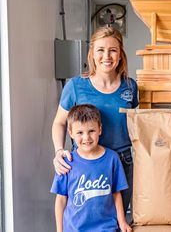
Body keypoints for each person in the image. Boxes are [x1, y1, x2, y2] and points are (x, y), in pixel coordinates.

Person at [52, 26, 138, 215]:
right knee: (85, 219)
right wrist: (59, 151)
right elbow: (59, 122)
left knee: (117, 220)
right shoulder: (76, 86)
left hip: (121, 162)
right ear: (92, 53)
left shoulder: (130, 86)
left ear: (121, 54)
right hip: (85, 162)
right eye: (101, 50)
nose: (106, 56)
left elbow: (136, 124)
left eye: (113, 50)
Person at [51, 104, 132, 232]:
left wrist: (122, 222)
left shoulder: (112, 158)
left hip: (107, 228)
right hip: (74, 229)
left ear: (100, 129)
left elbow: (116, 194)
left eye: (91, 131)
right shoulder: (66, 163)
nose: (86, 138)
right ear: (70, 133)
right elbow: (61, 200)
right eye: (80, 132)